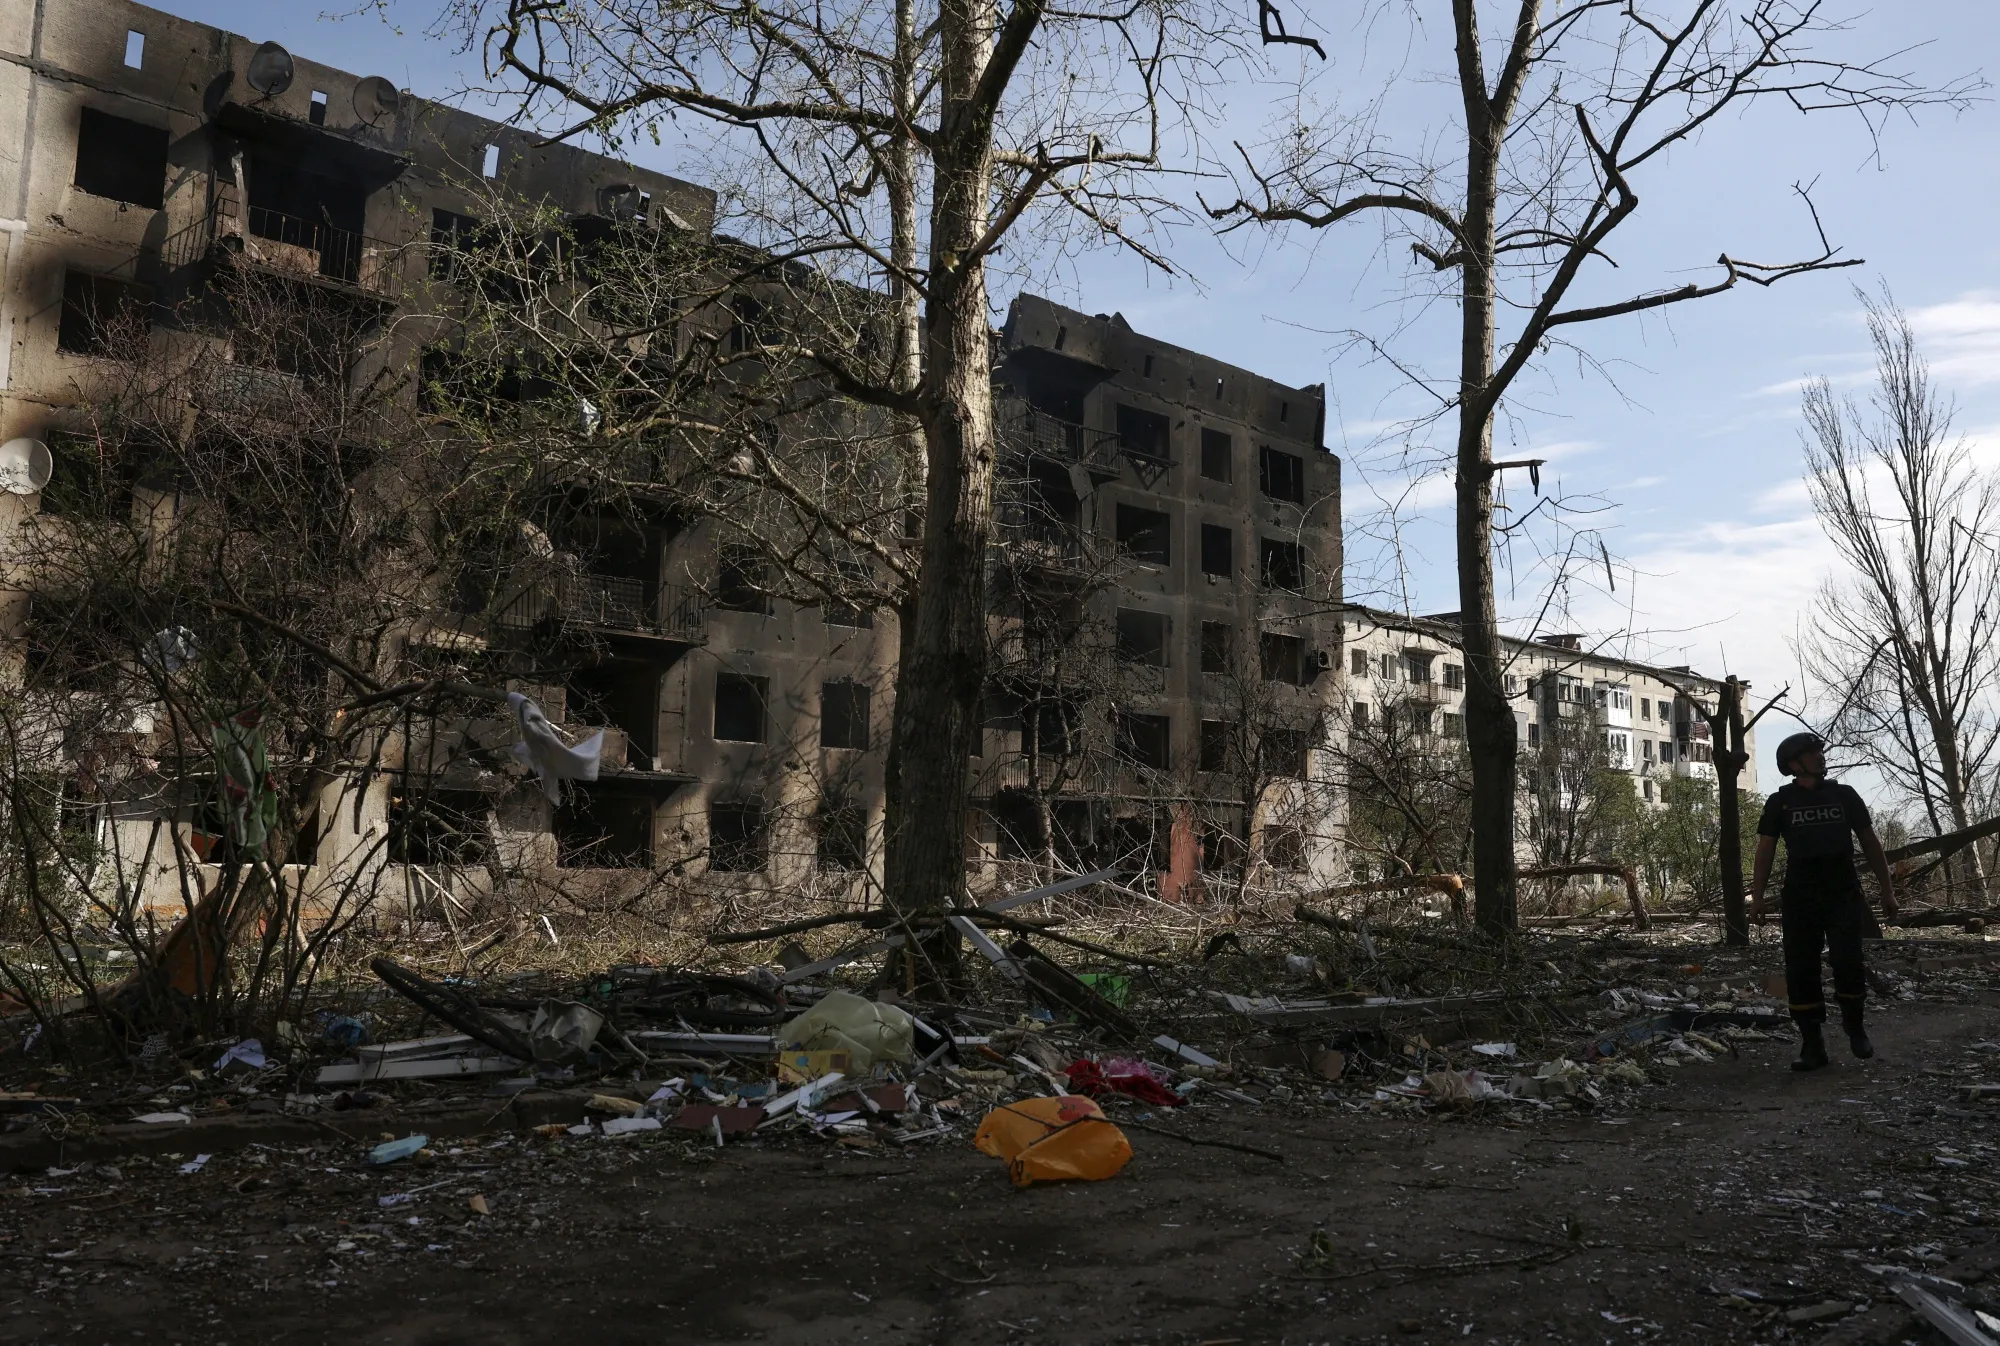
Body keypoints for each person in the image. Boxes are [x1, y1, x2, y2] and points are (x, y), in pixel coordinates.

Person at [1750, 732, 1898, 1071]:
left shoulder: (1844, 796)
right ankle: (1812, 1045)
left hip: (1842, 892)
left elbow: (1870, 842)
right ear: (1793, 764)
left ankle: (1855, 1027)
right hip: (1800, 897)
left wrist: (1887, 889)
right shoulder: (1780, 802)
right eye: (1812, 753)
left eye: (1820, 751)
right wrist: (1757, 898)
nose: (1820, 756)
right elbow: (1765, 850)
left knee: (1848, 961)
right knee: (1801, 968)